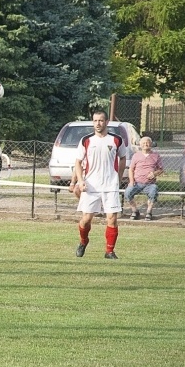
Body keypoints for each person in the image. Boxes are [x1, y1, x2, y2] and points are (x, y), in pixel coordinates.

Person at [74, 109, 128, 259]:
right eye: (95, 121)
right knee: (86, 220)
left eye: (101, 120)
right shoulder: (86, 140)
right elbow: (78, 162)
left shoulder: (116, 140)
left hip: (110, 185)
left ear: (106, 122)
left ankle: (109, 251)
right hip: (91, 186)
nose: (98, 123)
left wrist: (118, 177)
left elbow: (123, 158)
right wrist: (80, 181)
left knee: (112, 218)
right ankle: (83, 241)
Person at [124, 136, 163, 221]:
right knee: (127, 193)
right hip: (136, 183)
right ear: (140, 145)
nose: (146, 144)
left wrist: (154, 173)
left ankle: (149, 212)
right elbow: (131, 169)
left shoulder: (156, 156)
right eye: (144, 143)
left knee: (153, 191)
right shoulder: (136, 155)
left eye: (147, 142)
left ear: (151, 144)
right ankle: (135, 211)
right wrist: (131, 181)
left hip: (150, 184)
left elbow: (160, 169)